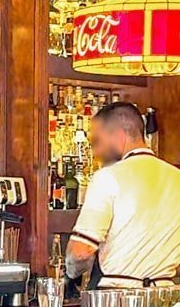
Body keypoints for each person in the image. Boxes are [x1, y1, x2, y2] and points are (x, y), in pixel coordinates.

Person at [66, 102, 180, 288]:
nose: (96, 152)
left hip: (115, 299)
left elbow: (81, 252)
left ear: (118, 135)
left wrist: (71, 274)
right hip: (165, 296)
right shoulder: (177, 178)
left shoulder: (108, 178)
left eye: (98, 142)